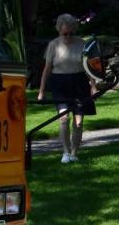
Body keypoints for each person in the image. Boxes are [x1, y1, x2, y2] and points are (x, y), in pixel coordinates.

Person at [38, 13, 96, 164]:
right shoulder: (53, 45)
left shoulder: (82, 43)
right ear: (59, 30)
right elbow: (47, 69)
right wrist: (42, 91)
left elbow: (88, 67)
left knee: (78, 122)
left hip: (79, 82)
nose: (68, 37)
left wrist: (93, 86)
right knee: (63, 118)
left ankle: (74, 152)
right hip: (60, 82)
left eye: (71, 33)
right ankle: (65, 151)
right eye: (65, 34)